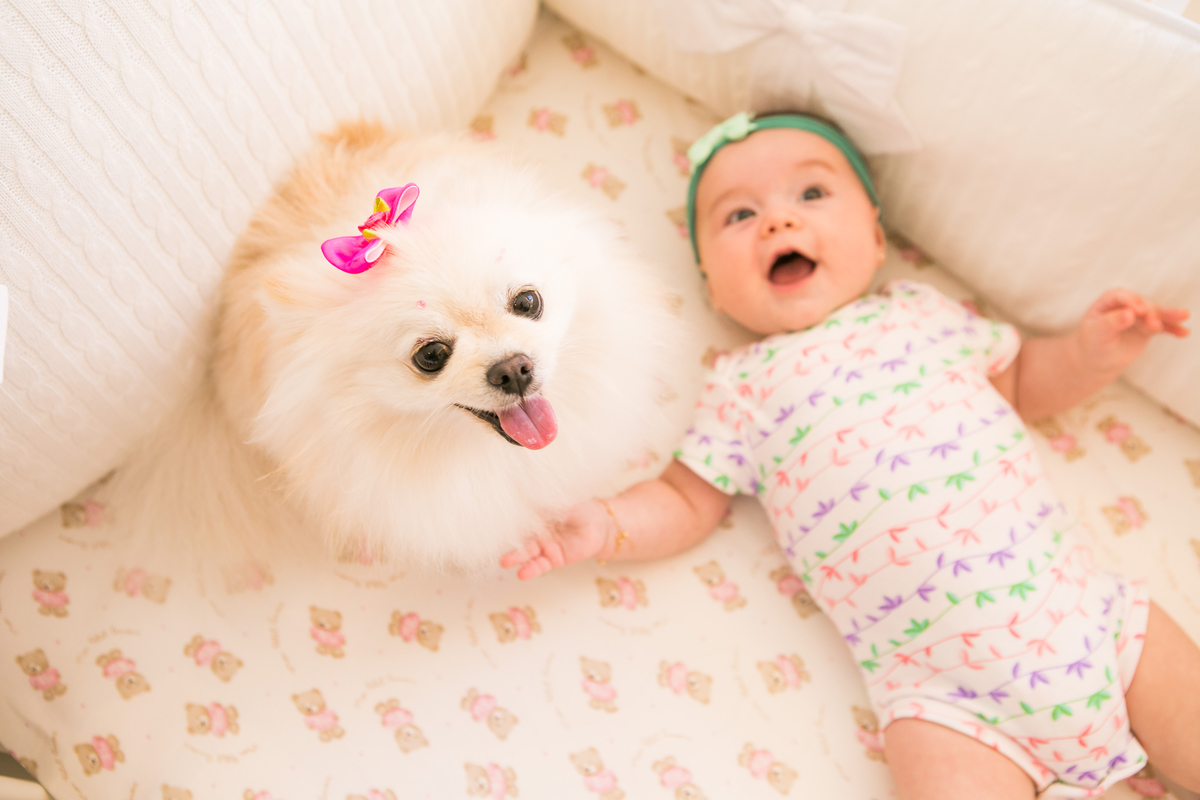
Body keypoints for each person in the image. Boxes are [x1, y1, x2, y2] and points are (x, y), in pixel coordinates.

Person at [501, 111, 1200, 799]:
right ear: (712, 285)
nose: (777, 221)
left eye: (810, 194)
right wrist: (604, 525)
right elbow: (685, 499)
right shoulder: (742, 386)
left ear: (873, 234)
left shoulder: (920, 313)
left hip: (1089, 620)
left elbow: (1022, 383)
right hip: (944, 705)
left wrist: (1089, 354)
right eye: (738, 216)